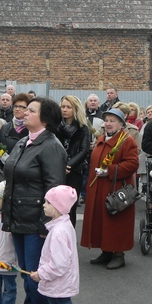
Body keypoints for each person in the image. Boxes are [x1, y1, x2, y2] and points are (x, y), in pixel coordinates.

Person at [1, 96, 67, 304]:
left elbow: (54, 189)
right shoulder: (23, 141)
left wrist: (44, 225)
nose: (24, 113)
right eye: (25, 109)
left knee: (37, 275)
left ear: (45, 119)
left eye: (31, 110)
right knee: (27, 275)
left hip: (35, 222)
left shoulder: (51, 146)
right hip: (19, 218)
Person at [81, 108, 139, 270]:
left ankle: (118, 254)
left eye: (112, 121)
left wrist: (110, 171)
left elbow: (132, 164)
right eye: (106, 120)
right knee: (101, 222)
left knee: (115, 223)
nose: (108, 124)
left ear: (121, 124)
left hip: (116, 191)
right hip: (99, 189)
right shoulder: (102, 138)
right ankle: (106, 251)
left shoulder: (126, 141)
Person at [30, 185, 80, 304]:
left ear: (58, 207)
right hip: (59, 283)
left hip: (60, 284)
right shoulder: (61, 226)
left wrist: (41, 274)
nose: (43, 205)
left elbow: (59, 264)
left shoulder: (58, 232)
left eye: (48, 202)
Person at [59, 95, 91, 225]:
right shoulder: (56, 126)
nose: (65, 109)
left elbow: (84, 151)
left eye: (68, 107)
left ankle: (69, 233)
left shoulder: (83, 128)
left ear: (75, 109)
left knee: (70, 207)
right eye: (63, 106)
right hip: (56, 168)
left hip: (75, 170)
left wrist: (69, 165)